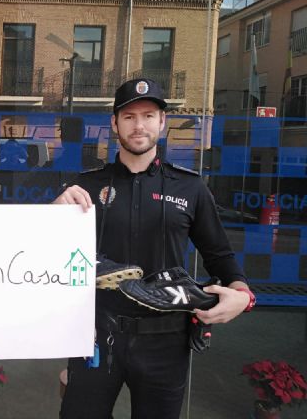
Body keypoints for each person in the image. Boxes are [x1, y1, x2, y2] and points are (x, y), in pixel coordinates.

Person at [54, 78, 256, 419]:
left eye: (148, 116)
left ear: (162, 122)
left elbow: (220, 257)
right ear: (115, 123)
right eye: (129, 116)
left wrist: (243, 296)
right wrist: (54, 213)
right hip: (96, 336)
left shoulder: (191, 188)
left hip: (166, 343)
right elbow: (48, 254)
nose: (139, 125)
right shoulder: (84, 186)